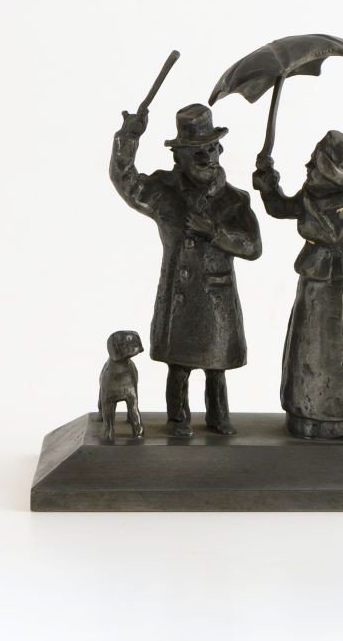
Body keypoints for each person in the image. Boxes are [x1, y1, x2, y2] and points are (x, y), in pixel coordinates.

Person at [110, 103, 262, 436]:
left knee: (216, 366)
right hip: (178, 297)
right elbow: (126, 181)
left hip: (216, 300)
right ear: (178, 157)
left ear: (220, 149)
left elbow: (253, 247)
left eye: (212, 148)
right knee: (178, 366)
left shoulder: (234, 201)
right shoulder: (163, 192)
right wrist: (127, 139)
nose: (207, 157)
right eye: (197, 152)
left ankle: (218, 416)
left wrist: (215, 232)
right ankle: (178, 419)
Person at [253, 130, 343, 439]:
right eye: (311, 162)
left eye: (315, 165)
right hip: (314, 282)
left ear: (331, 174)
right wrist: (268, 184)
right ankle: (313, 414)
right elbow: (279, 208)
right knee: (314, 347)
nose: (308, 168)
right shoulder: (309, 198)